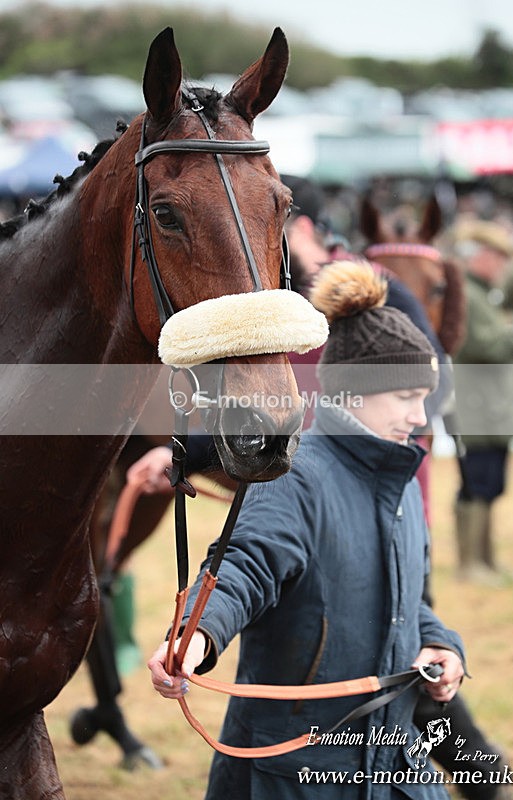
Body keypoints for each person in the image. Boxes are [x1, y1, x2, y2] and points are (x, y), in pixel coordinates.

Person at [147, 260, 466, 800]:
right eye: (407, 397)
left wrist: (441, 644)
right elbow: (243, 566)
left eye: (424, 399)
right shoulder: (295, 477)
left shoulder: (404, 481)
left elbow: (403, 598)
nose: (419, 417)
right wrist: (195, 636)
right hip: (295, 773)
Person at [451, 218, 513, 582]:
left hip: (488, 405)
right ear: (480, 256)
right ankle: (471, 564)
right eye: (498, 256)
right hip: (476, 405)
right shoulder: (469, 296)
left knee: (490, 482)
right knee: (477, 482)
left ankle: (486, 560)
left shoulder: (481, 294)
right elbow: (487, 346)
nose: (503, 265)